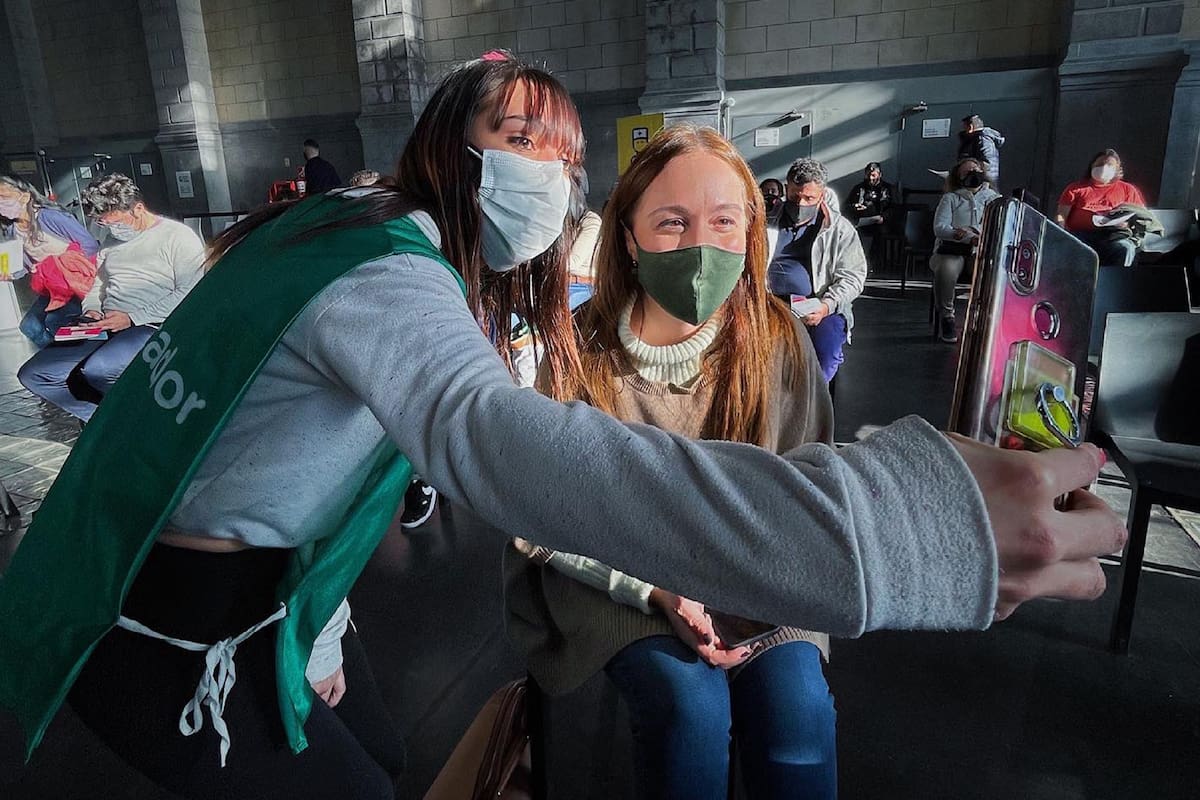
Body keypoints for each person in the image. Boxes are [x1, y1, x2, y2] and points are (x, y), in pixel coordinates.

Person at [0, 53, 1124, 800]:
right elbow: (503, 445)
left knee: (390, 759)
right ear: (453, 138)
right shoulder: (385, 270)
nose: (549, 171)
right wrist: (892, 524)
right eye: (520, 136)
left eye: (567, 155)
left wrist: (322, 636)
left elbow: (285, 456)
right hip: (170, 627)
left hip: (257, 595)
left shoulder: (356, 236)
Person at [506, 125, 838, 798]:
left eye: (723, 222)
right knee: (689, 710)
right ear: (628, 237)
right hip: (619, 575)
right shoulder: (580, 354)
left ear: (750, 232)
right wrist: (654, 589)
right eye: (670, 223)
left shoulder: (777, 341)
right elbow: (544, 515)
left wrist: (752, 587)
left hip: (755, 574)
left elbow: (811, 491)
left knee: (796, 709)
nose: (700, 247)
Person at [16, 173, 205, 421]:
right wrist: (92, 309)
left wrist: (132, 318)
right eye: (104, 224)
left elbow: (191, 292)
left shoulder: (177, 237)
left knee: (100, 369)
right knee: (35, 374)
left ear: (137, 209)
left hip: (153, 323)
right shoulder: (111, 240)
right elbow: (99, 282)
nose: (111, 229)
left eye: (114, 222)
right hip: (106, 322)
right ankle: (106, 422)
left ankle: (146, 420)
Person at [767, 157, 867, 382]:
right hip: (770, 303)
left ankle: (813, 405)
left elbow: (853, 277)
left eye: (809, 198)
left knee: (825, 354)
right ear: (786, 189)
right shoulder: (765, 222)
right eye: (795, 196)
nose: (801, 204)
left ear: (822, 195)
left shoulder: (839, 229)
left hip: (820, 303)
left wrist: (826, 305)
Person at [0, 175, 100, 348]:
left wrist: (63, 264)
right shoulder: (11, 229)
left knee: (56, 322)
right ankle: (54, 360)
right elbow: (19, 263)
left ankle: (73, 360)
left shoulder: (50, 217)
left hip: (75, 282)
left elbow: (89, 244)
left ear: (25, 196)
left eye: (4, 198)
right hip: (53, 287)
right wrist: (7, 271)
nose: (1, 204)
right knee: (29, 327)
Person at [930, 158, 1001, 344]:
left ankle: (985, 317)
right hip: (952, 249)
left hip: (980, 250)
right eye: (966, 172)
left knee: (992, 269)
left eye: (975, 170)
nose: (972, 174)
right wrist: (961, 234)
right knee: (946, 269)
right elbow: (940, 228)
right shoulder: (951, 198)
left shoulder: (993, 199)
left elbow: (998, 226)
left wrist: (974, 232)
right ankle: (947, 317)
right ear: (958, 177)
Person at [1056, 149, 1147, 267]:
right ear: (1092, 166)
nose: (1104, 168)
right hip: (1082, 235)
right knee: (1069, 247)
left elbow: (1141, 214)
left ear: (1117, 169)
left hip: (1114, 235)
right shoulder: (1075, 188)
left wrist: (1127, 226)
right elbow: (1061, 215)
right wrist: (1060, 231)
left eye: (1109, 165)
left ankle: (1117, 282)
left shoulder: (1127, 190)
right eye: (1099, 164)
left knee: (1126, 248)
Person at [846, 161, 894, 271]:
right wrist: (855, 207)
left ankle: (874, 264)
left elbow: (895, 208)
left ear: (879, 175)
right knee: (850, 231)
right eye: (868, 175)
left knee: (879, 233)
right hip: (861, 220)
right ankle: (855, 263)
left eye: (873, 175)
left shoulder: (888, 189)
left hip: (881, 222)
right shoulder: (858, 188)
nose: (870, 178)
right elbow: (846, 205)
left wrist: (884, 217)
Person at [957, 115, 1004, 186]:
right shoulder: (980, 139)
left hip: (981, 180)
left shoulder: (982, 139)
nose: (963, 130)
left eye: (964, 127)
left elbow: (986, 161)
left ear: (970, 127)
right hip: (979, 178)